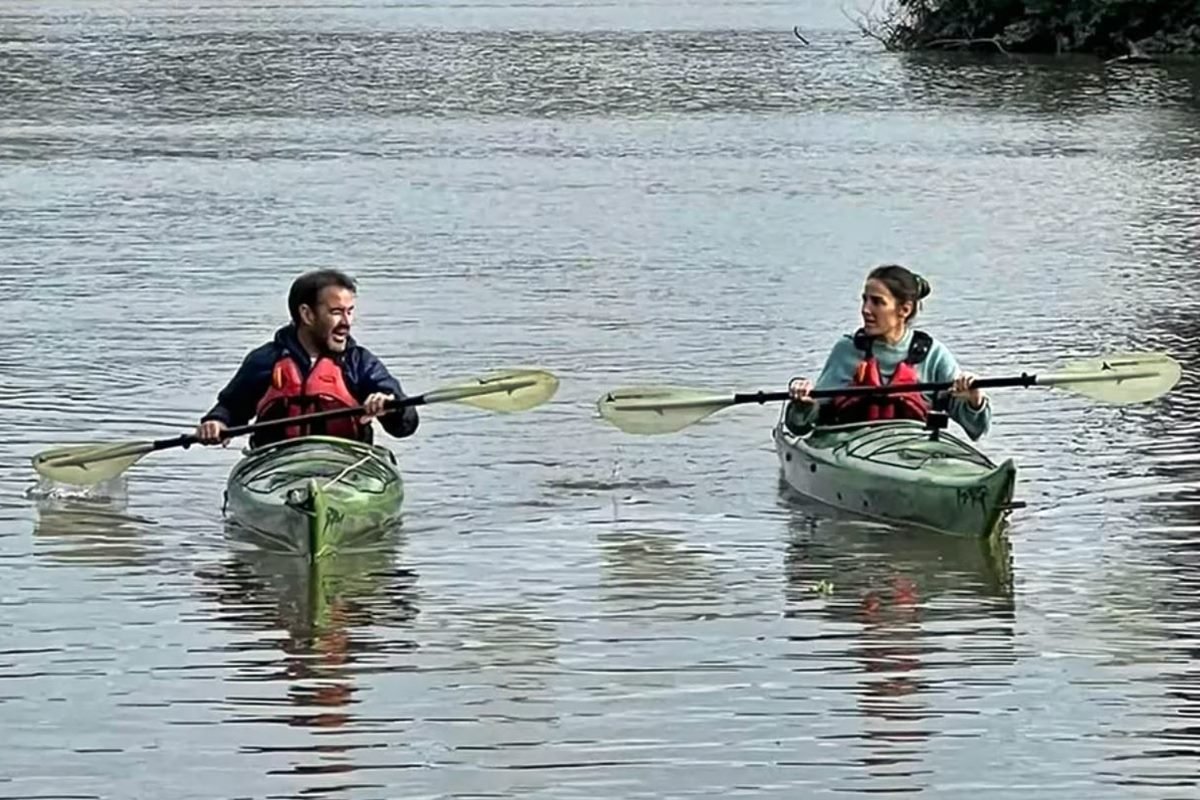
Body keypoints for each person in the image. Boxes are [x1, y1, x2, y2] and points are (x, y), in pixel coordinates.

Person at [194, 269, 420, 448]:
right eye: (336, 312)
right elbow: (231, 408)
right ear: (307, 314)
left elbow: (405, 426)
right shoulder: (265, 360)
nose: (347, 322)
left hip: (346, 466)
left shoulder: (359, 363)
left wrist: (391, 407)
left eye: (349, 311)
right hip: (277, 466)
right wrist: (216, 422)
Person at [786, 264, 991, 440]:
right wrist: (803, 404)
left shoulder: (933, 355)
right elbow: (801, 426)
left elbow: (977, 429)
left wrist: (974, 399)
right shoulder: (847, 351)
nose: (865, 309)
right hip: (848, 449)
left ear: (905, 309)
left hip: (912, 453)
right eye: (864, 300)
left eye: (877, 302)